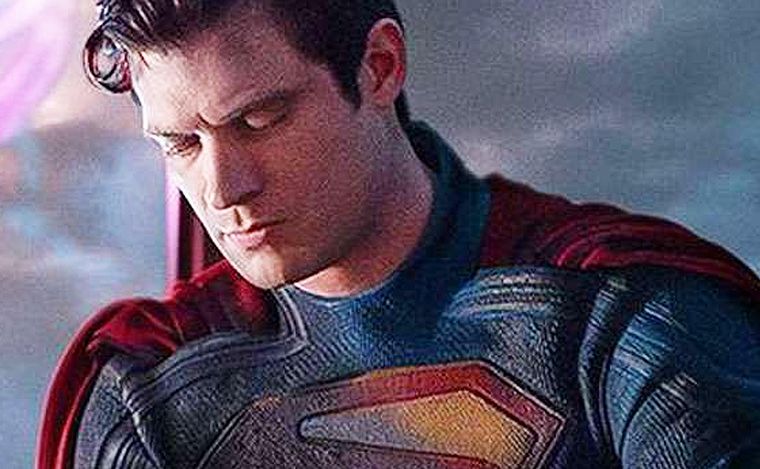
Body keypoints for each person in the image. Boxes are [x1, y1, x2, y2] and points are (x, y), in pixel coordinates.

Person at [38, 0, 760, 468]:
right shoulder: (150, 383)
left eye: (259, 121)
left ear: (379, 68)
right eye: (181, 144)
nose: (223, 190)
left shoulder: (618, 316)